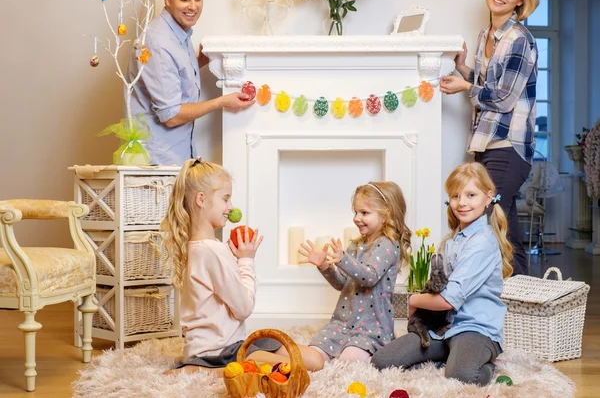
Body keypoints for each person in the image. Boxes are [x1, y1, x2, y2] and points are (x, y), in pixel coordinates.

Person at [161, 157, 323, 374]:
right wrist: (247, 260)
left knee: (314, 358)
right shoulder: (212, 251)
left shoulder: (202, 247)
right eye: (225, 199)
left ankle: (211, 365)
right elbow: (243, 308)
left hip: (227, 344)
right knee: (304, 365)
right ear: (201, 199)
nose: (231, 207)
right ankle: (206, 370)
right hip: (221, 351)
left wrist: (235, 258)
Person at [372, 163, 513, 386]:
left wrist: (413, 300)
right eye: (456, 196)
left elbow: (449, 299)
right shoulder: (453, 239)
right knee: (383, 360)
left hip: (475, 328)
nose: (462, 203)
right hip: (441, 329)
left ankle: (482, 363)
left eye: (471, 195)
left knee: (463, 376)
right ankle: (451, 355)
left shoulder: (483, 241)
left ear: (488, 198)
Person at [439, 0, 540, 276]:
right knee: (506, 230)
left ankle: (493, 299)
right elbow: (490, 86)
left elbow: (505, 98)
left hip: (509, 145)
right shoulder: (487, 33)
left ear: (520, 1)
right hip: (486, 142)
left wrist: (465, 86)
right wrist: (462, 68)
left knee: (485, 221)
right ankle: (524, 304)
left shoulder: (520, 39)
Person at [127, 0, 254, 166]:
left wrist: (202, 60)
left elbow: (174, 75)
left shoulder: (179, 34)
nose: (193, 6)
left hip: (178, 154)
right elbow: (171, 115)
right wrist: (221, 102)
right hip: (157, 161)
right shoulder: (158, 42)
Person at [298, 182, 411, 364]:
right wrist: (325, 267)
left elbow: (369, 277)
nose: (357, 218)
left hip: (371, 327)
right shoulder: (355, 245)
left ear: (386, 214)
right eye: (355, 212)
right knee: (314, 353)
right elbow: (343, 284)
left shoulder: (387, 245)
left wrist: (343, 259)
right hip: (342, 323)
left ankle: (378, 355)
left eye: (364, 213)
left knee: (349, 361)